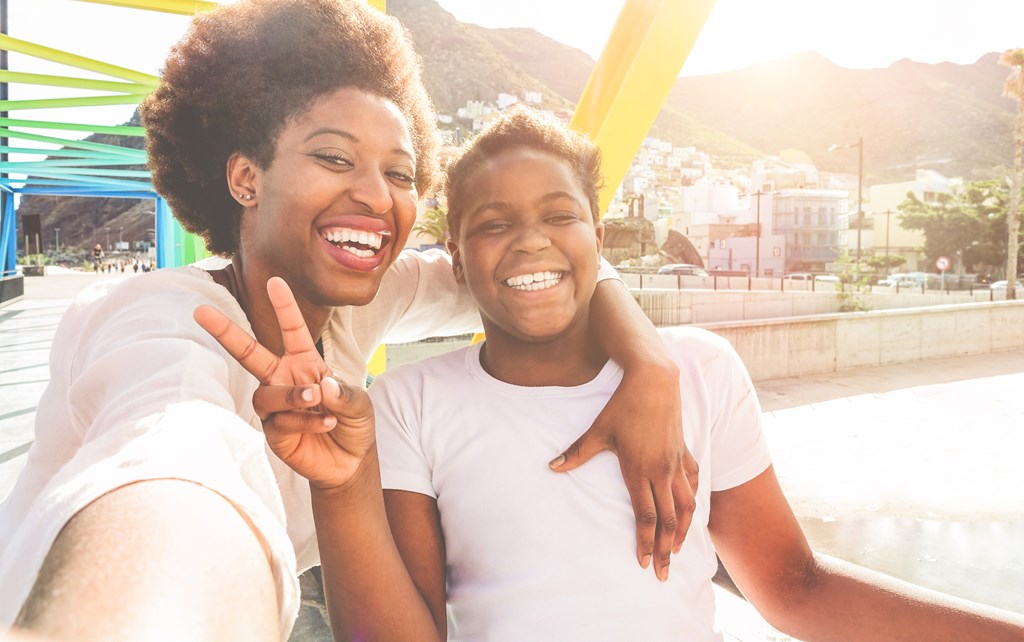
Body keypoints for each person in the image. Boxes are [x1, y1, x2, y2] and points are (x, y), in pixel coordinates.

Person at [0, 1, 697, 640]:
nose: (374, 195)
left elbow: (525, 272)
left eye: (399, 174)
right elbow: (168, 464)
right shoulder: (158, 323)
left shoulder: (357, 300)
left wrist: (651, 364)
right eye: (334, 158)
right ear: (245, 179)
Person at [202, 106, 1024, 640]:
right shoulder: (413, 405)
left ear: (602, 236)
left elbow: (794, 588)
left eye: (560, 216)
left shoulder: (700, 371)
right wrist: (341, 489)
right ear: (454, 255)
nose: (531, 242)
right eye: (493, 224)